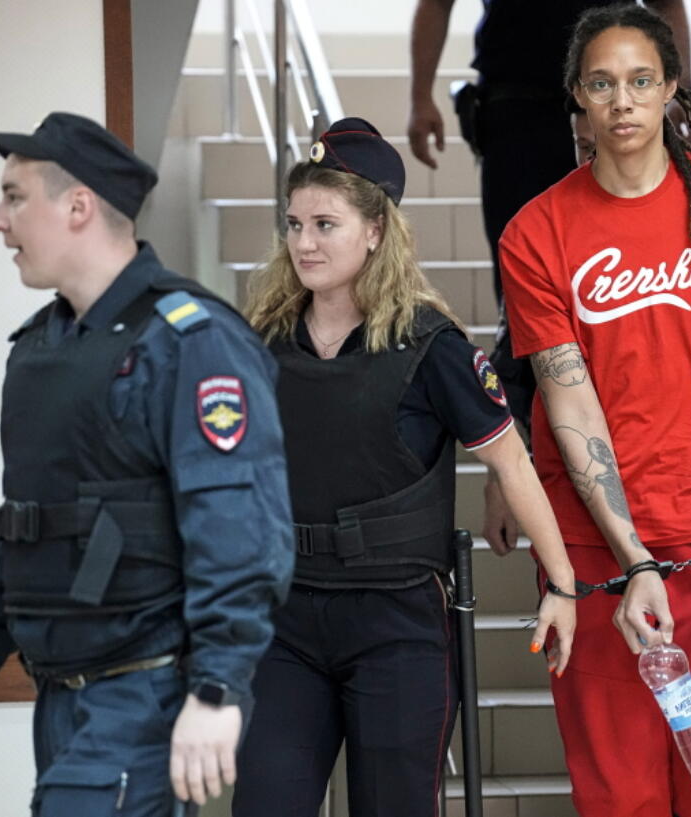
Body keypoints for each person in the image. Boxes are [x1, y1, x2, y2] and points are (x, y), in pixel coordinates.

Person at [0, 112, 293, 815]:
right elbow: (22, 524)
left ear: (79, 205)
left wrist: (217, 686)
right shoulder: (41, 347)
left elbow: (239, 526)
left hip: (142, 694)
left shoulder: (191, 342)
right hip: (60, 698)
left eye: (14, 196)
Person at [497, 4, 691, 816]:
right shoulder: (536, 232)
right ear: (577, 97)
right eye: (601, 83)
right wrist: (633, 562)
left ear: (670, 87)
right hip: (599, 561)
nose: (622, 102)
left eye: (640, 81)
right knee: (620, 796)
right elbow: (570, 401)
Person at [231, 117, 577, 817]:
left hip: (396, 621)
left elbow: (511, 462)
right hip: (285, 615)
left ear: (376, 230)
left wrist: (562, 583)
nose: (303, 242)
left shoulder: (432, 344)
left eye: (324, 224)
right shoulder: (261, 341)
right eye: (293, 224)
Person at [407, 0, 691, 433]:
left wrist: (678, 92)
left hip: (612, 101)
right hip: (516, 111)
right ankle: (528, 423)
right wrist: (420, 96)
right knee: (524, 274)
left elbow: (668, 5)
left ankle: (625, 408)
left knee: (627, 262)